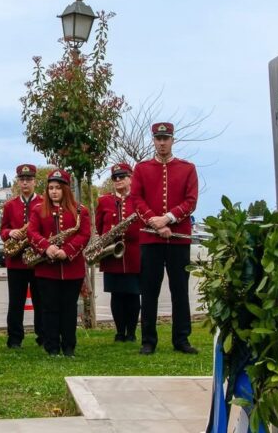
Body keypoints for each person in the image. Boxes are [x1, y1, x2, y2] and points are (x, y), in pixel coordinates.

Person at [130, 123, 199, 355]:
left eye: (166, 138)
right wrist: (154, 221)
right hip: (150, 239)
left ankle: (181, 338)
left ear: (172, 140)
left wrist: (167, 218)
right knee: (149, 291)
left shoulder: (187, 168)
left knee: (180, 290)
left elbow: (191, 201)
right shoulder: (141, 168)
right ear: (153, 140)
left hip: (178, 239)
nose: (162, 143)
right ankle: (148, 340)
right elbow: (136, 199)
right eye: (158, 138)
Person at [26, 169, 90, 357]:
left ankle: (69, 346)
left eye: (58, 188)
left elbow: (85, 234)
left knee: (69, 309)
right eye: (50, 188)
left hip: (72, 268)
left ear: (66, 189)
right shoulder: (38, 210)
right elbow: (32, 232)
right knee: (49, 308)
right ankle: (52, 346)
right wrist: (46, 247)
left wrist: (67, 251)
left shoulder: (81, 210)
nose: (53, 191)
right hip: (47, 269)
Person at [95, 163, 142, 342]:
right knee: (116, 294)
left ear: (130, 178)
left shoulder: (138, 199)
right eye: (115, 178)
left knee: (132, 294)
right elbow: (100, 226)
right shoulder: (104, 201)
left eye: (122, 177)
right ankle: (119, 331)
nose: (118, 180)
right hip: (112, 255)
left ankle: (131, 332)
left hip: (132, 254)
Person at [0, 164, 44, 348]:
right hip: (16, 261)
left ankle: (43, 335)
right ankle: (15, 338)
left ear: (34, 181)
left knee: (40, 300)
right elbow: (3, 229)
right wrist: (11, 233)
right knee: (15, 302)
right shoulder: (10, 205)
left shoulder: (42, 203)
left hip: (37, 260)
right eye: (22, 180)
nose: (25, 183)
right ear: (18, 182)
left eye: (29, 180)